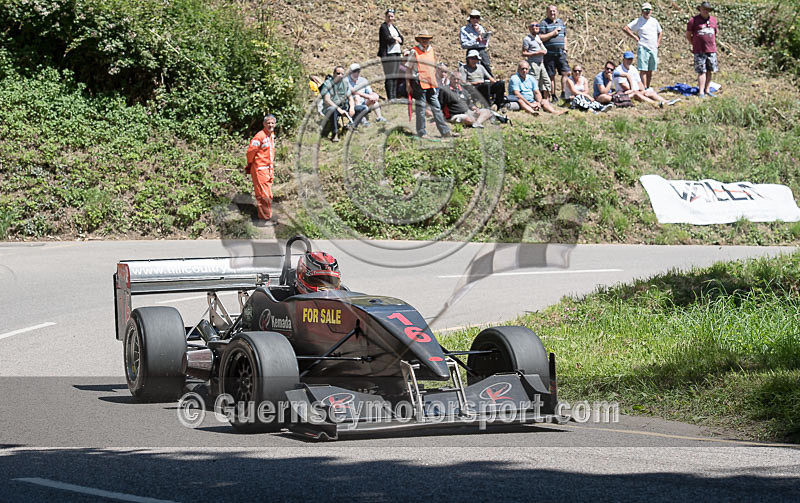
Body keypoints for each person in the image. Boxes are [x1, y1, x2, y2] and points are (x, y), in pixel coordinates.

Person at [406, 29, 456, 138]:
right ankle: (422, 132)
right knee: (421, 109)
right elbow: (408, 69)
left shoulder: (431, 50)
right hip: (418, 82)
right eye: (423, 39)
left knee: (436, 107)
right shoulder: (414, 52)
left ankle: (445, 132)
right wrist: (408, 84)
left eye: (427, 39)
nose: (425, 41)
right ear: (419, 40)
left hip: (430, 82)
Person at [437, 64, 494, 128]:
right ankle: (476, 121)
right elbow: (439, 105)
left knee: (487, 111)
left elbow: (469, 103)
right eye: (454, 79)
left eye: (458, 79)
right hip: (455, 115)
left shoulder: (463, 90)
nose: (456, 81)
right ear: (450, 79)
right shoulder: (444, 90)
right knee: (468, 119)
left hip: (468, 112)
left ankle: (476, 123)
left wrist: (475, 108)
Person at [613, 51, 677, 107]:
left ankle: (666, 102)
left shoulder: (633, 69)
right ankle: (655, 104)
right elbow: (624, 86)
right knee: (636, 94)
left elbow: (639, 82)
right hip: (625, 93)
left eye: (631, 59)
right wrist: (636, 90)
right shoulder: (619, 70)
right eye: (628, 59)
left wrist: (643, 90)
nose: (629, 61)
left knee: (649, 93)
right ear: (624, 59)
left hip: (635, 90)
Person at [622, 2, 663, 90]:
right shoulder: (638, 21)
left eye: (648, 10)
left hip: (653, 48)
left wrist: (658, 43)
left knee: (650, 69)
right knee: (643, 69)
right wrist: (635, 37)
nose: (647, 12)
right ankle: (643, 88)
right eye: (645, 10)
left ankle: (647, 87)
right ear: (642, 11)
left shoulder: (654, 21)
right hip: (643, 47)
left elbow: (660, 32)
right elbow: (626, 28)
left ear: (651, 11)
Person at [246, 115, 277, 224]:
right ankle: (265, 219)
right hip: (260, 169)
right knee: (263, 195)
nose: (270, 125)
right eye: (268, 123)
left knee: (268, 194)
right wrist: (250, 164)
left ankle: (266, 215)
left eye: (272, 123)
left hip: (268, 170)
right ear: (264, 124)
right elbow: (250, 152)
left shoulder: (271, 135)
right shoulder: (259, 136)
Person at [686, 1, 719, 98]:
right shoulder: (693, 20)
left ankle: (707, 90)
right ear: (700, 9)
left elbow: (715, 33)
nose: (705, 11)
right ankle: (701, 92)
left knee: (709, 70)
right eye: (704, 9)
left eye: (707, 9)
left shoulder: (713, 20)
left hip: (711, 50)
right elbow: (688, 34)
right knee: (701, 71)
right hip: (699, 50)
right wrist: (694, 43)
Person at [539, 5, 570, 99]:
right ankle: (553, 95)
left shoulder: (561, 22)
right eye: (550, 11)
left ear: (557, 12)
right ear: (547, 12)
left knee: (566, 73)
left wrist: (565, 48)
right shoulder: (544, 23)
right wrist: (552, 33)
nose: (552, 13)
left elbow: (565, 36)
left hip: (561, 53)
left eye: (554, 11)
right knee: (551, 75)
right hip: (549, 54)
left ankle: (564, 93)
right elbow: (540, 37)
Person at [319, 65, 355, 142]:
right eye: (338, 73)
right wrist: (339, 109)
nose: (340, 75)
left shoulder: (345, 84)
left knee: (362, 108)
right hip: (330, 107)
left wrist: (352, 108)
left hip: (343, 106)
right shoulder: (327, 84)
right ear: (334, 73)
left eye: (342, 74)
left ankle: (349, 126)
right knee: (333, 109)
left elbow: (350, 98)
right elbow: (327, 100)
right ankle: (334, 133)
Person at [347, 63, 387, 127]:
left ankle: (379, 117)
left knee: (373, 100)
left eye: (358, 72)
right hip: (351, 104)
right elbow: (353, 91)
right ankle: (362, 119)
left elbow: (370, 92)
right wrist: (368, 96)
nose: (356, 73)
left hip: (363, 102)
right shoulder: (346, 81)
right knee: (357, 97)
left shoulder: (363, 80)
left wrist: (374, 95)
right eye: (354, 72)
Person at [377, 8, 404, 101]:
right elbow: (388, 39)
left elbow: (402, 39)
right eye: (388, 16)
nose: (390, 18)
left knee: (395, 76)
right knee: (389, 76)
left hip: (396, 53)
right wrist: (396, 39)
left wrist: (397, 39)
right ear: (385, 17)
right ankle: (390, 97)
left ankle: (394, 96)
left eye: (392, 16)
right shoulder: (383, 27)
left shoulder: (394, 27)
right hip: (388, 55)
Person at [522, 21, 552, 99]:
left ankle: (546, 100)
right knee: (535, 82)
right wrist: (536, 53)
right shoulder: (527, 39)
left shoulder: (538, 38)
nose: (534, 27)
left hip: (541, 63)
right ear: (529, 28)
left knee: (546, 81)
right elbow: (524, 53)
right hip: (533, 63)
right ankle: (534, 100)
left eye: (536, 25)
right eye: (532, 26)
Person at [460, 10, 492, 76]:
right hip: (471, 50)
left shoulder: (481, 28)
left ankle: (490, 80)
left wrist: (481, 35)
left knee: (486, 65)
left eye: (477, 17)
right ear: (470, 18)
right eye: (473, 17)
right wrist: (475, 40)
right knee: (472, 69)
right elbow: (463, 44)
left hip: (481, 50)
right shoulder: (464, 29)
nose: (475, 19)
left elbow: (485, 42)